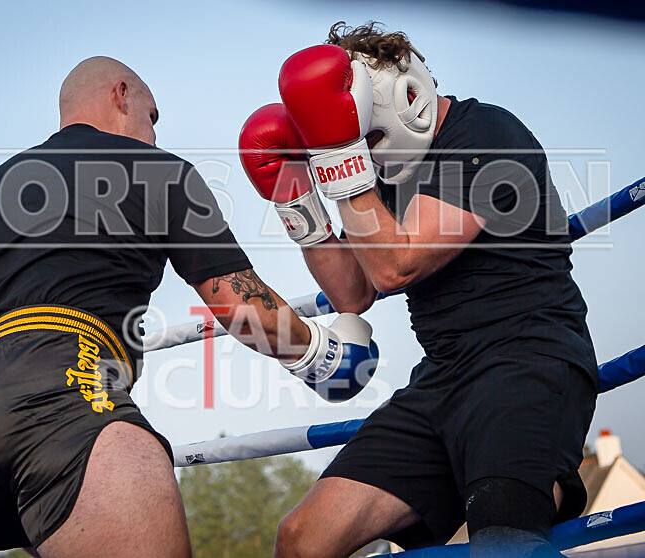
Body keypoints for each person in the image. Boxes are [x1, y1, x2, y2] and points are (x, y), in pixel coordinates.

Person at [0, 56, 380, 558]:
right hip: (67, 402)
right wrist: (323, 358)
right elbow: (237, 303)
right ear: (121, 95)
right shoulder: (156, 169)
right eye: (153, 116)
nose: (153, 134)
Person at [240, 22, 597, 558]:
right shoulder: (381, 178)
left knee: (505, 539)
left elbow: (397, 267)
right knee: (302, 540)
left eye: (366, 137)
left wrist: (339, 159)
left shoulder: (486, 134)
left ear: (404, 95)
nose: (365, 152)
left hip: (525, 362)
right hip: (440, 380)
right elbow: (355, 293)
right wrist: (296, 196)